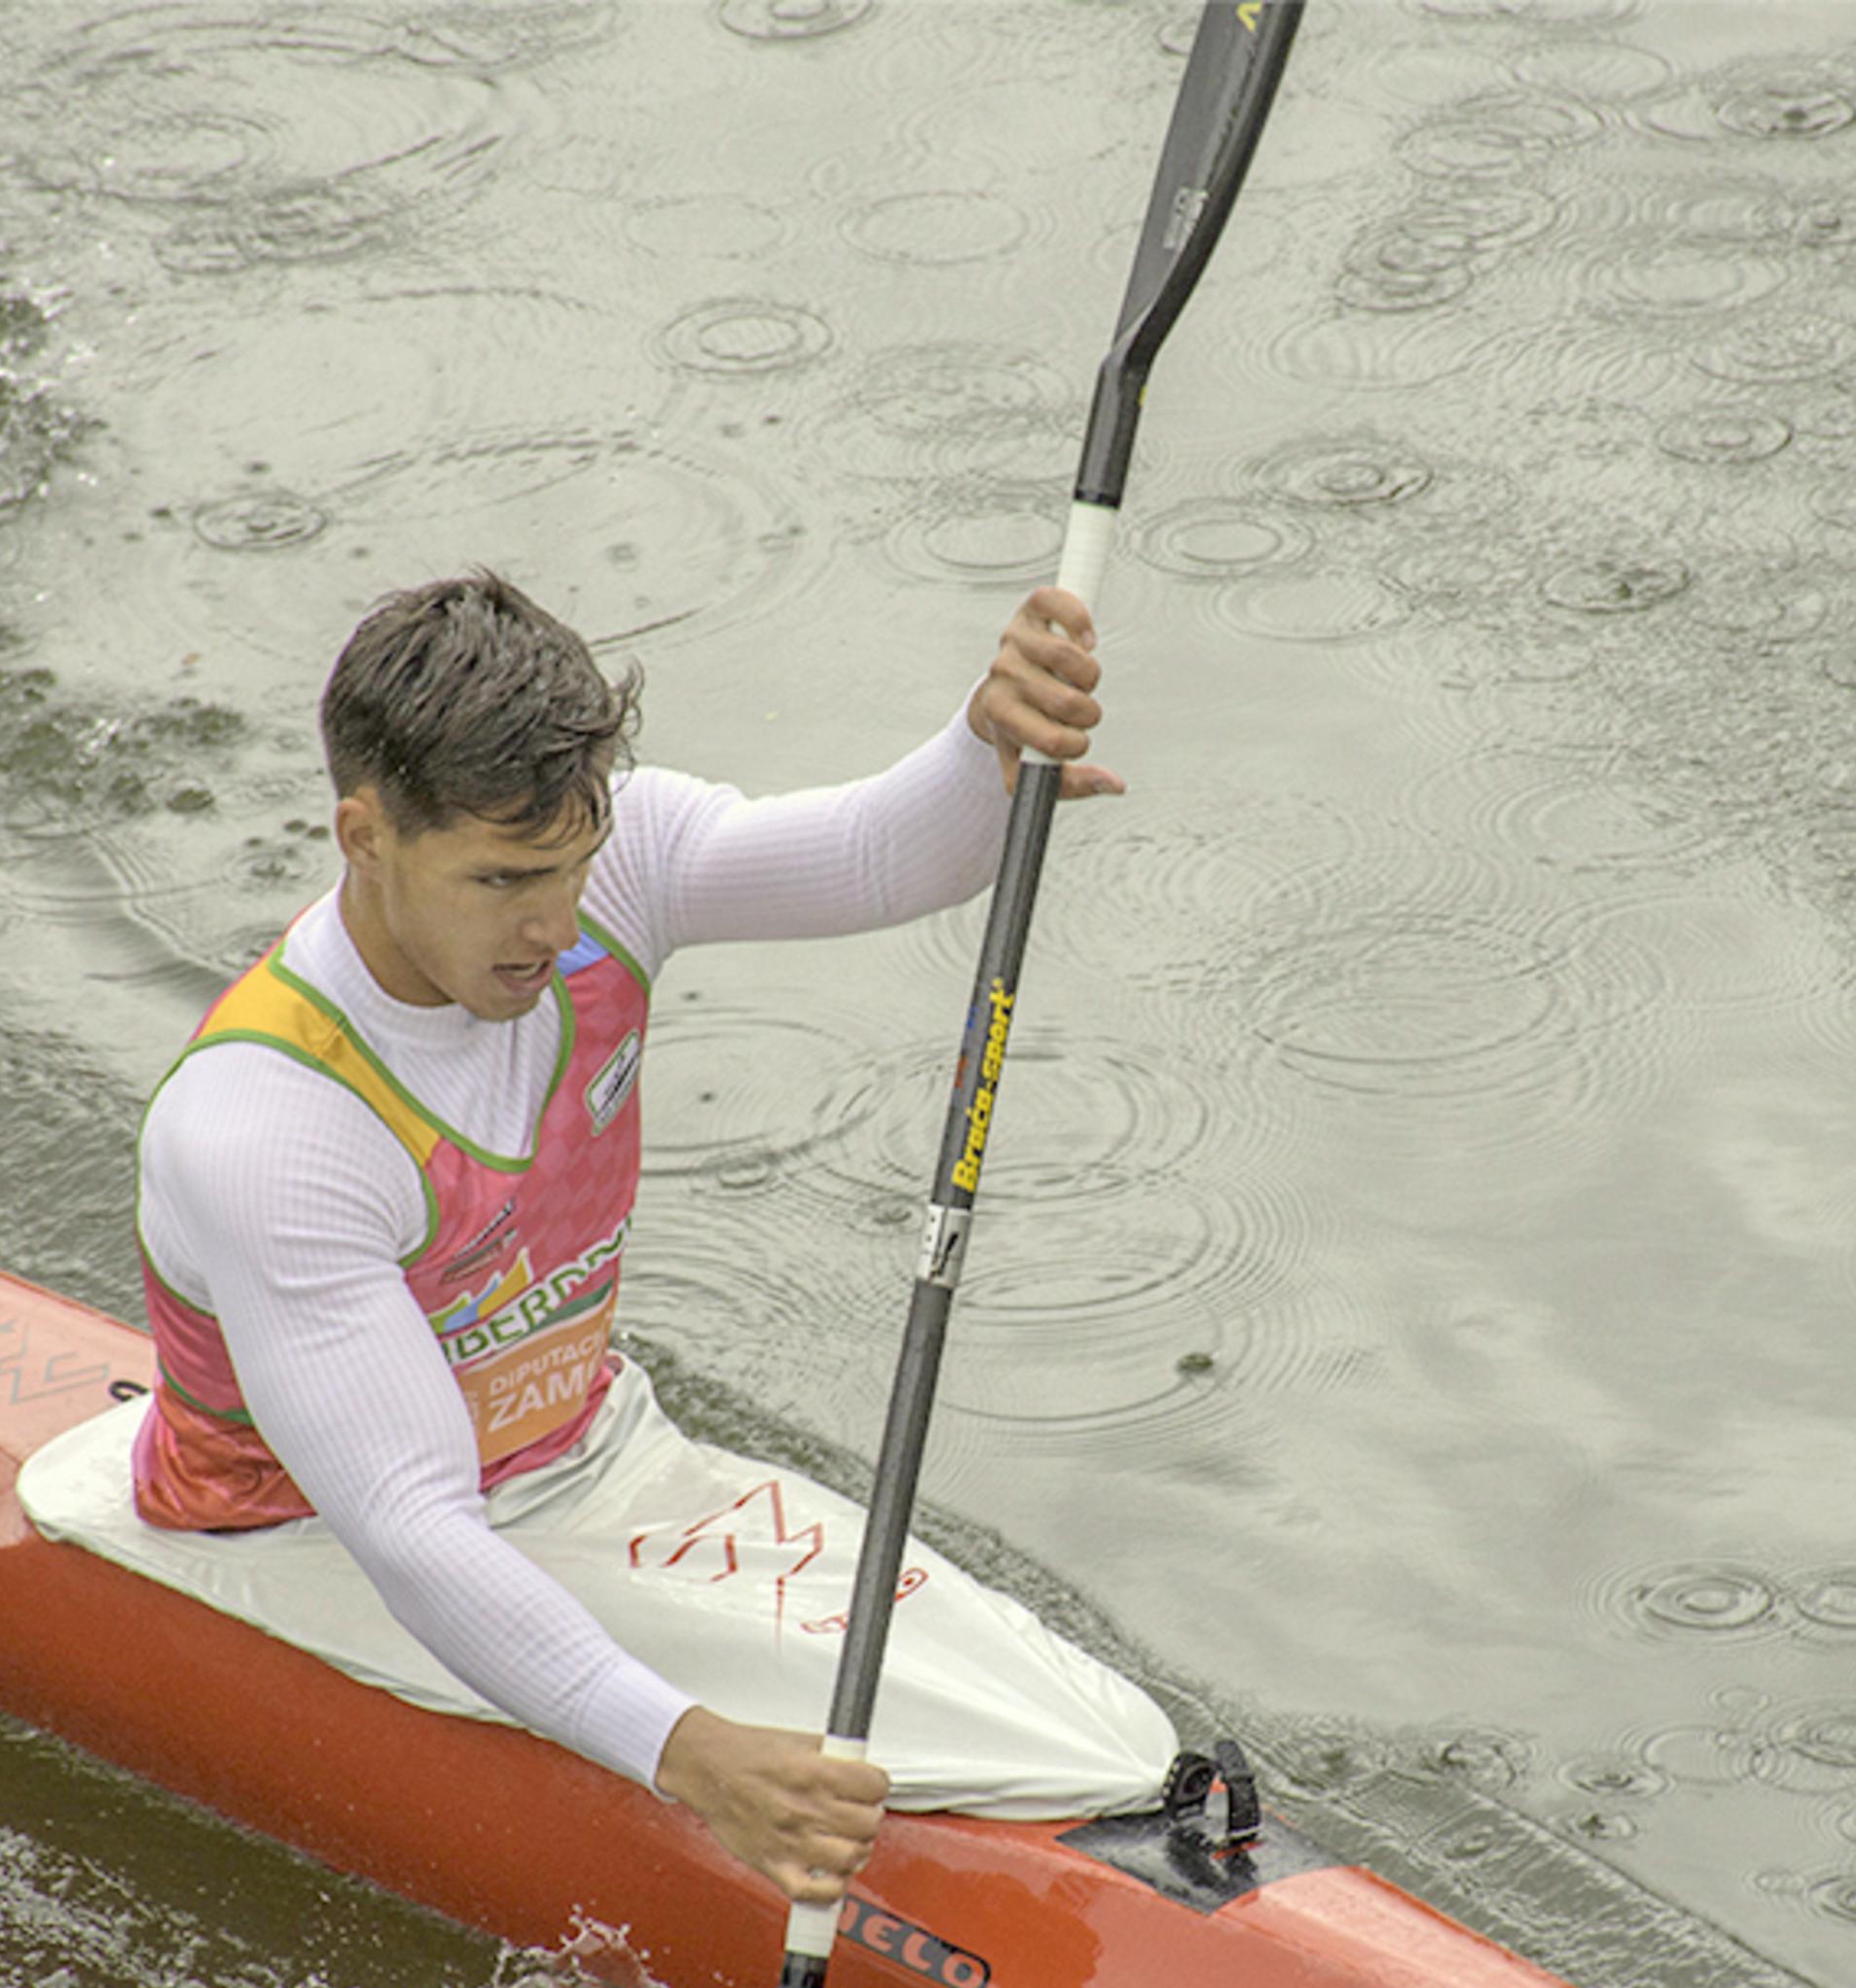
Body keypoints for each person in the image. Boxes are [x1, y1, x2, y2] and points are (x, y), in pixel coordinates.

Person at [126, 571, 1133, 1908]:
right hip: (308, 1547)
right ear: (362, 837)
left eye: (575, 867)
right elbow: (416, 1530)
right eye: (501, 881)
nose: (554, 924)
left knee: (1079, 1741)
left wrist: (985, 751)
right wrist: (692, 1756)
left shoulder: (614, 863)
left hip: (597, 1458)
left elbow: (880, 856)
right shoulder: (271, 1127)